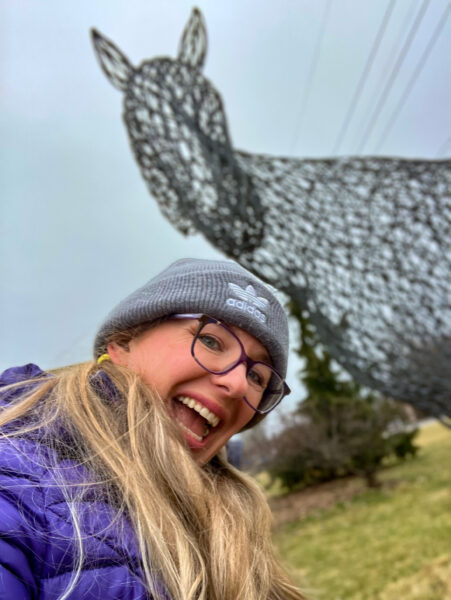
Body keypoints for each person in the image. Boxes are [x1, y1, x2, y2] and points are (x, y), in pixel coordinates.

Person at [0, 258, 306, 600]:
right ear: (123, 343)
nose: (237, 384)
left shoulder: (236, 526)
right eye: (212, 341)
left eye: (256, 377)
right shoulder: (16, 481)